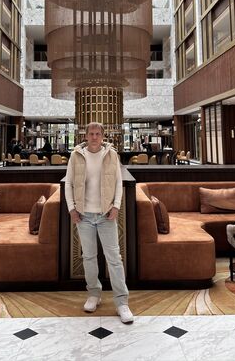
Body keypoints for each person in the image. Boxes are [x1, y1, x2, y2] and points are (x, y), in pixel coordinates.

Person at [65, 122, 133, 324]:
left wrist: (116, 206)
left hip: (106, 215)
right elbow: (68, 183)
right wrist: (71, 208)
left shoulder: (111, 155)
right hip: (83, 215)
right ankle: (94, 294)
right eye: (91, 134)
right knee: (89, 257)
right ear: (85, 136)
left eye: (97, 134)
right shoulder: (76, 155)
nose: (94, 137)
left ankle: (122, 302)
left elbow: (118, 183)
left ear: (103, 136)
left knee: (114, 259)